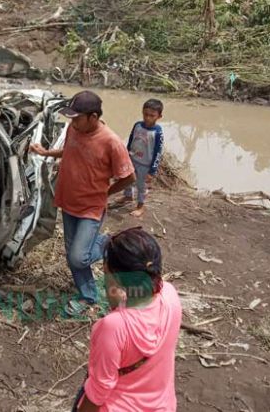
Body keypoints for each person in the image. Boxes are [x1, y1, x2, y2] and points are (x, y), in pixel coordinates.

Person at [29, 90, 135, 316]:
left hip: (91, 207)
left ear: (93, 117)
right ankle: (88, 296)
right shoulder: (74, 129)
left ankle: (107, 243)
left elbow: (129, 177)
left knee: (79, 257)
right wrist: (46, 152)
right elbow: (69, 151)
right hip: (68, 201)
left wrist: (107, 192)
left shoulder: (111, 142)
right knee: (72, 255)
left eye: (77, 117)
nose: (73, 122)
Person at [74, 228, 182, 412]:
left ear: (114, 276)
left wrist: (112, 287)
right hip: (163, 406)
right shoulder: (170, 296)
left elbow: (98, 392)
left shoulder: (113, 327)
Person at [119, 99, 164, 218]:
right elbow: (131, 140)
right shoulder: (137, 125)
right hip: (132, 159)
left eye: (152, 115)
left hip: (145, 164)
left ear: (159, 116)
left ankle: (140, 206)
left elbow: (158, 152)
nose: (148, 118)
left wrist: (152, 171)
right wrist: (126, 155)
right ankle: (128, 196)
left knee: (141, 185)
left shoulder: (158, 132)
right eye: (145, 114)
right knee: (127, 178)